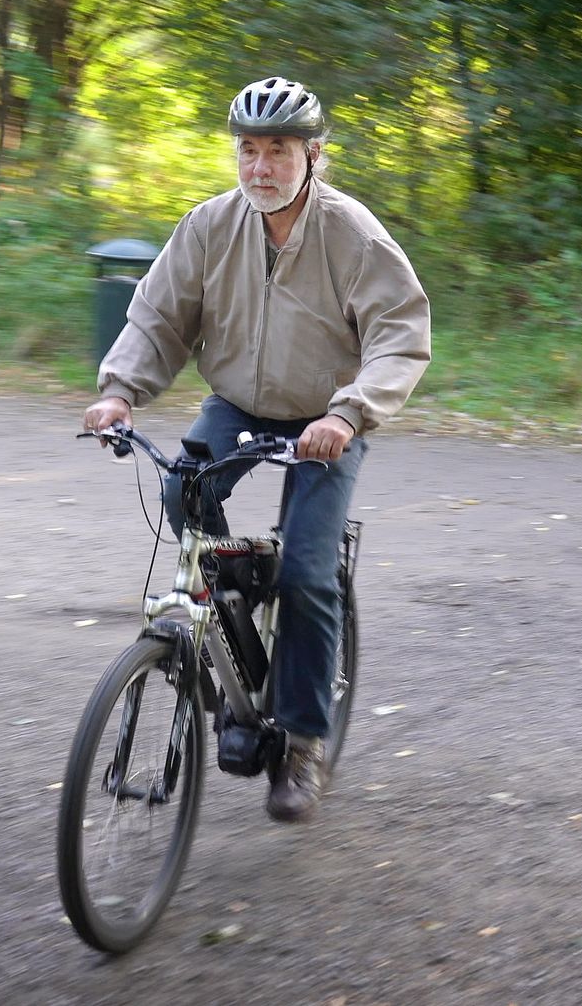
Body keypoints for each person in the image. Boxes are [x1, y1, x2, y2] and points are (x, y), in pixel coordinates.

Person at [82, 76, 431, 823]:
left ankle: (303, 739)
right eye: (248, 150)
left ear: (313, 155)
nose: (261, 166)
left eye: (278, 150)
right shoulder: (209, 226)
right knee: (181, 490)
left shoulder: (354, 234)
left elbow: (400, 338)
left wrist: (350, 411)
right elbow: (158, 316)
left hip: (326, 420)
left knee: (307, 572)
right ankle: (230, 613)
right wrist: (119, 391)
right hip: (239, 403)